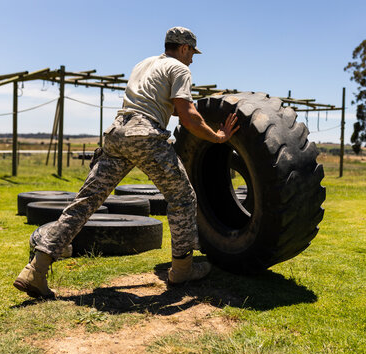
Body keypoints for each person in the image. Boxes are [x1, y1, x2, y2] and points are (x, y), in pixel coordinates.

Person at [14, 26, 239, 299]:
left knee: (84, 203)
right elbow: (187, 114)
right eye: (192, 52)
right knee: (183, 197)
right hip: (145, 134)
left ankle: (35, 270)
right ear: (183, 48)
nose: (192, 58)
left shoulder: (143, 64)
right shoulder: (180, 70)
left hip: (116, 134)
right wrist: (218, 137)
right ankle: (182, 269)